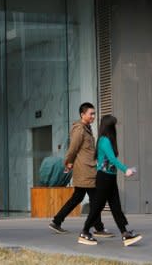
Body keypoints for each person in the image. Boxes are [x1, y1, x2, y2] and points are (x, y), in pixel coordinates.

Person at [49, 102, 113, 238]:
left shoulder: (87, 129)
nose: (93, 116)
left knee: (78, 197)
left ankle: (57, 221)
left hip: (88, 168)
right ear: (82, 114)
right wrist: (68, 162)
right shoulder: (79, 129)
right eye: (91, 114)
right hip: (85, 170)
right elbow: (73, 149)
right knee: (96, 199)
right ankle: (98, 227)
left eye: (94, 114)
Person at [78, 115, 142, 246]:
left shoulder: (106, 140)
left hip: (110, 177)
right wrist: (126, 170)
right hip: (104, 178)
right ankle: (84, 232)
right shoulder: (104, 140)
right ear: (109, 127)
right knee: (97, 207)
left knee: (116, 206)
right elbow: (112, 159)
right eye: (114, 125)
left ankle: (125, 234)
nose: (115, 128)